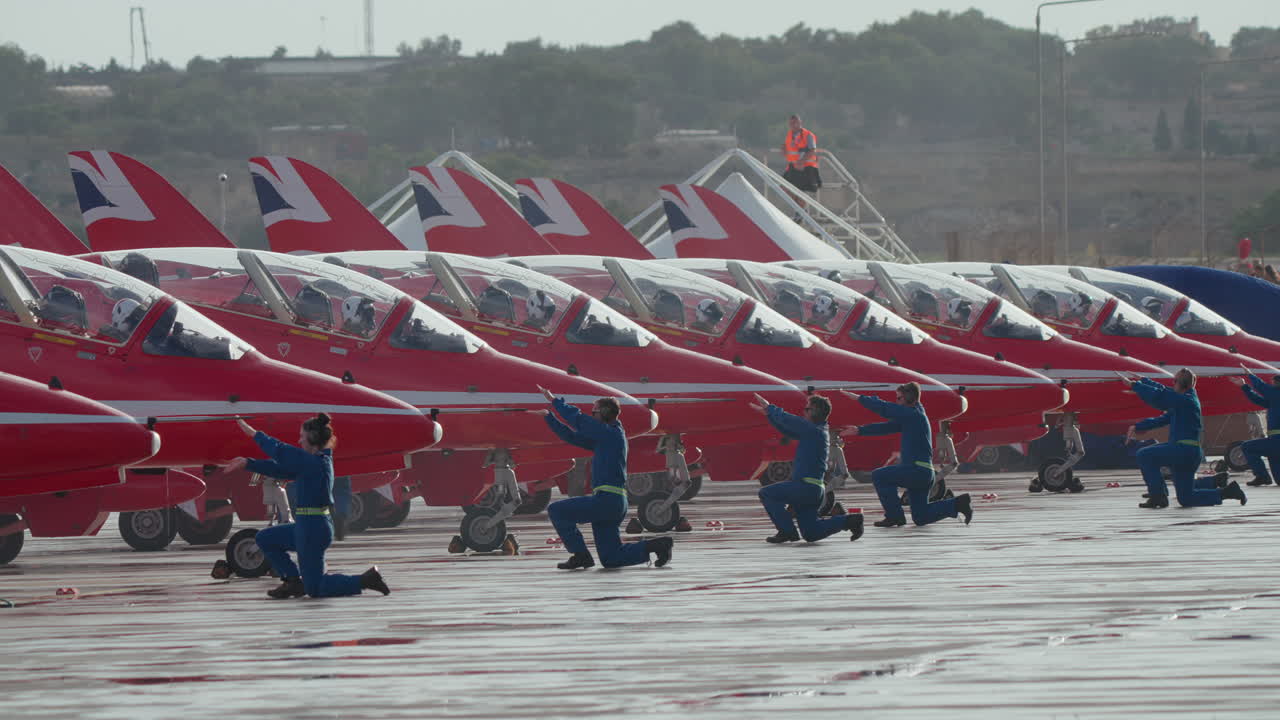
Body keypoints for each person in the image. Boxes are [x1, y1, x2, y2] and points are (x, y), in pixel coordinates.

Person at [223, 414, 390, 598]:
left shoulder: (314, 463)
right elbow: (281, 469)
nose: (299, 440)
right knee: (265, 538)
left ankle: (364, 580)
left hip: (313, 529)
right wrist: (248, 463)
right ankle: (293, 582)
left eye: (302, 436)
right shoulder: (314, 462)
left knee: (316, 589)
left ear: (312, 439)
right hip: (308, 525)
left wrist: (254, 434)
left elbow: (281, 450)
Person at [536, 387, 673, 570]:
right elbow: (572, 437)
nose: (592, 415)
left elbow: (578, 420)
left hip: (606, 501)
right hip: (614, 502)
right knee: (611, 559)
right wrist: (549, 418)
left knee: (557, 511)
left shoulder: (609, 434)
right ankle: (657, 545)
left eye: (594, 412)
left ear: (604, 413)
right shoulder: (609, 437)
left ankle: (580, 555)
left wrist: (554, 401)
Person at [841, 384, 972, 527]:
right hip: (923, 473)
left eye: (899, 398)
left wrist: (859, 398)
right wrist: (859, 430)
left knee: (880, 475)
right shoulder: (914, 415)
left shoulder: (912, 414)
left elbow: (885, 408)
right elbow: (887, 427)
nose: (897, 401)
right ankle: (958, 504)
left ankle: (894, 516)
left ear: (909, 397)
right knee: (921, 517)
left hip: (916, 471)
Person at [747, 392, 864, 543]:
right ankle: (850, 521)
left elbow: (791, 420)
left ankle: (786, 531)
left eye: (807, 409)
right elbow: (787, 430)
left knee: (767, 493)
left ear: (816, 412)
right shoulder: (816, 431)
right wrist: (769, 415)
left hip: (805, 487)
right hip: (813, 490)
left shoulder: (813, 430)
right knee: (811, 534)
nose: (804, 412)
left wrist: (770, 408)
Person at [1121, 368, 1247, 508]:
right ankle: (1227, 492)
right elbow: (1164, 405)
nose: (1172, 384)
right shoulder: (1185, 400)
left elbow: (1161, 396)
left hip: (1183, 450)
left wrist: (1136, 386)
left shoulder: (1185, 401)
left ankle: (1158, 496)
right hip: (1188, 452)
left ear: (1179, 384)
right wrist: (1144, 382)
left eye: (1174, 381)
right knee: (1186, 498)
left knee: (1144, 455)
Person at [1233, 367, 1280, 487]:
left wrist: (1249, 373)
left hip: (1276, 441)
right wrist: (1244, 386)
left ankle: (1262, 476)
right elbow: (1258, 400)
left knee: (1247, 447)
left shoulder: (1276, 393)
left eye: (1274, 383)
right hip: (1274, 442)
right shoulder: (1274, 399)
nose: (1272, 385)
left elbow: (1261, 387)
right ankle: (1263, 477)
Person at [781, 114, 821, 212]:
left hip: (806, 167)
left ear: (800, 123)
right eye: (791, 123)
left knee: (800, 192)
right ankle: (800, 210)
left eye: (795, 123)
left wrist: (801, 162)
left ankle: (800, 212)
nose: (792, 125)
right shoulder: (789, 134)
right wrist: (784, 149)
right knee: (783, 187)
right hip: (792, 167)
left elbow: (812, 150)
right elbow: (789, 147)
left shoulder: (808, 135)